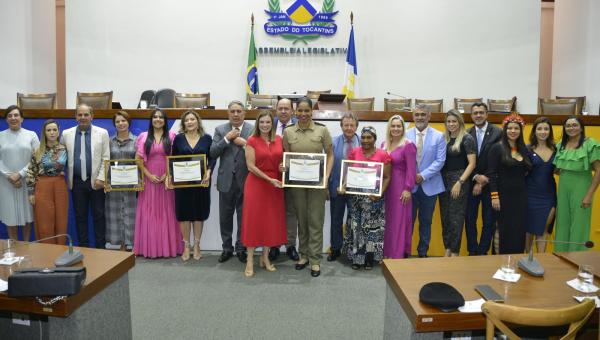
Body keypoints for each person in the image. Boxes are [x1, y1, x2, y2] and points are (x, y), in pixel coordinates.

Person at [282, 96, 333, 277]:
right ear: (296, 112)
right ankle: (303, 256)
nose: (303, 114)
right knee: (301, 221)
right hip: (296, 185)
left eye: (307, 111)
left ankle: (316, 260)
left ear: (312, 112)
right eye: (300, 111)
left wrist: (326, 177)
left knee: (315, 221)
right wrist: (284, 167)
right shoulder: (288, 132)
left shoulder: (322, 130)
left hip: (317, 185)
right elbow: (285, 155)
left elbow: (330, 155)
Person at [241, 111, 287, 277]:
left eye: (268, 122)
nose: (265, 125)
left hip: (274, 185)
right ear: (257, 124)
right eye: (262, 122)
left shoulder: (279, 140)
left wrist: (282, 167)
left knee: (270, 222)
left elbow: (281, 162)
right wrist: (270, 179)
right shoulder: (251, 140)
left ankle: (265, 258)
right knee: (253, 222)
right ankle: (250, 260)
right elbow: (250, 166)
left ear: (272, 124)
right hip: (257, 184)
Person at [340, 126, 390, 270]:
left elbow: (387, 177)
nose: (366, 140)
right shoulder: (354, 152)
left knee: (372, 230)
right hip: (356, 200)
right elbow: (348, 173)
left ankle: (369, 258)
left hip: (374, 200)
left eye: (369, 137)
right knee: (356, 229)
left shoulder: (382, 154)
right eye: (363, 137)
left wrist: (379, 194)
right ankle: (357, 258)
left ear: (375, 139)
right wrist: (343, 185)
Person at [134, 109, 182, 258]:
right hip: (149, 180)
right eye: (155, 117)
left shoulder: (173, 136)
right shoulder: (143, 136)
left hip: (166, 180)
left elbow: (175, 158)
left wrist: (167, 175)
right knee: (149, 213)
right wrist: (148, 176)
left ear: (165, 120)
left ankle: (168, 248)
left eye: (161, 117)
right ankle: (148, 249)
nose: (158, 119)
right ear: (151, 119)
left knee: (168, 212)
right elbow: (138, 159)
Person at [210, 100, 253, 263]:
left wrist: (245, 143)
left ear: (244, 113)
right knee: (225, 217)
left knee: (244, 217)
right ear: (228, 113)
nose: (235, 114)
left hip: (246, 180)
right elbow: (213, 152)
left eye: (239, 111)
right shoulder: (220, 130)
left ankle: (241, 248)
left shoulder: (252, 129)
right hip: (226, 181)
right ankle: (227, 248)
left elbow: (259, 150)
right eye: (232, 111)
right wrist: (227, 139)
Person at [61, 104, 109, 248]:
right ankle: (84, 247)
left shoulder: (102, 133)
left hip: (96, 182)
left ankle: (101, 248)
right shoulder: (66, 134)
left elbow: (106, 157)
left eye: (86, 114)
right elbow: (62, 157)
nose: (83, 118)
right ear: (75, 116)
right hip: (76, 182)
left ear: (92, 116)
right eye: (80, 115)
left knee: (99, 217)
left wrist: (101, 178)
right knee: (80, 217)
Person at [171, 110, 215, 261]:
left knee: (198, 214)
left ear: (198, 121)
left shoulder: (207, 139)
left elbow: (212, 158)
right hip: (183, 184)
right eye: (187, 120)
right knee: (184, 215)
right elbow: (173, 159)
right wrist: (172, 177)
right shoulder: (178, 139)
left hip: (201, 183)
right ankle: (186, 246)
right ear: (183, 123)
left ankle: (197, 245)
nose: (190, 122)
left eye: (192, 119)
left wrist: (209, 171)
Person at [553, 116, 600, 252]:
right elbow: (557, 169)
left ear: (581, 127)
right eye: (568, 125)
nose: (571, 128)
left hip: (582, 187)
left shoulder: (590, 143)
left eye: (575, 125)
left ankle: (576, 260)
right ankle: (560, 258)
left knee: (579, 225)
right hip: (563, 187)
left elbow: (598, 171)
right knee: (562, 223)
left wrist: (589, 195)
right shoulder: (561, 144)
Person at [406, 104, 446, 258]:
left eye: (423, 114)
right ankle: (405, 251)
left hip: (430, 186)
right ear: (413, 116)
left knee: (426, 222)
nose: (420, 117)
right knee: (408, 222)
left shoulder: (439, 136)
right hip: (409, 187)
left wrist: (422, 175)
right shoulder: (406, 135)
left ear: (429, 116)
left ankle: (423, 253)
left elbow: (440, 161)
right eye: (417, 115)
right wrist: (412, 177)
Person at [489, 114, 532, 254]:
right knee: (502, 229)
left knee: (518, 229)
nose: (513, 131)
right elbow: (492, 174)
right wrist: (494, 196)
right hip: (503, 197)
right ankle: (499, 260)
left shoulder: (524, 150)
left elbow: (527, 171)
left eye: (516, 128)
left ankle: (516, 259)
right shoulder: (497, 148)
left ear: (521, 131)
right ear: (505, 130)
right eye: (510, 128)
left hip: (520, 197)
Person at [465, 102, 502, 255]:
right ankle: (472, 251)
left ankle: (482, 251)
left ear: (487, 114)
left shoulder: (498, 132)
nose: (478, 115)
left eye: (481, 112)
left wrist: (484, 178)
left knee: (488, 221)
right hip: (471, 183)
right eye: (475, 113)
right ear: (471, 115)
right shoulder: (466, 133)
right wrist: (475, 178)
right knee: (470, 219)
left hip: (491, 182)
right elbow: (464, 160)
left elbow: (500, 158)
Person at [439, 110, 476, 257]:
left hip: (459, 181)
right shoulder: (444, 139)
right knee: (445, 218)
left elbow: (472, 164)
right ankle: (447, 249)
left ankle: (454, 252)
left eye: (454, 121)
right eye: (448, 121)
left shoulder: (467, 139)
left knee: (456, 219)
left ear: (460, 122)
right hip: (443, 181)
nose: (451, 124)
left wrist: (460, 182)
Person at [0, 105, 39, 241]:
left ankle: (26, 245)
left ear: (22, 118)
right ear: (6, 119)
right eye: (9, 116)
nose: (13, 118)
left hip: (26, 180)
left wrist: (20, 174)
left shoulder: (31, 135)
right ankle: (14, 246)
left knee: (27, 214)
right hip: (5, 182)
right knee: (9, 214)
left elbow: (37, 158)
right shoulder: (1, 136)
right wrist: (9, 176)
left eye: (16, 115)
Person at [382, 115, 416, 259]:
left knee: (398, 222)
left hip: (400, 188)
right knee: (387, 220)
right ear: (389, 128)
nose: (395, 129)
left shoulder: (408, 145)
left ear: (403, 128)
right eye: (393, 126)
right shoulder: (384, 144)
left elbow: (412, 169)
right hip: (385, 188)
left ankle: (396, 255)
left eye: (399, 126)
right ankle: (387, 253)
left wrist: (408, 188)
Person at [269, 98, 299, 261]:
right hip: (271, 176)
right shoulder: (267, 124)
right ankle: (274, 245)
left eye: (286, 108)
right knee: (273, 212)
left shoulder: (298, 125)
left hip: (293, 176)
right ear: (276, 110)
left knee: (291, 212)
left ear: (292, 111)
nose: (283, 111)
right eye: (280, 108)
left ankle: (290, 245)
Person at [327, 112, 360, 261]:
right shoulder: (333, 143)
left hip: (357, 189)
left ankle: (352, 250)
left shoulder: (363, 143)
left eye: (351, 125)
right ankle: (335, 249)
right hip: (337, 188)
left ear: (356, 126)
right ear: (341, 126)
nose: (348, 128)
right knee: (336, 220)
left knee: (354, 221)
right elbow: (328, 166)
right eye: (345, 125)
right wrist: (327, 187)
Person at [27, 120, 66, 243]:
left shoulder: (64, 149)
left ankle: (60, 251)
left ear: (58, 131)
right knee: (44, 221)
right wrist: (31, 192)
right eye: (49, 130)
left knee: (61, 219)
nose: (52, 133)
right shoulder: (38, 151)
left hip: (60, 186)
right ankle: (46, 252)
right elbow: (31, 171)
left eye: (54, 130)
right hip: (42, 186)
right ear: (44, 132)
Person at [104, 111, 137, 251]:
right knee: (116, 215)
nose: (121, 124)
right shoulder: (109, 142)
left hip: (132, 185)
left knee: (131, 215)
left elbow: (141, 163)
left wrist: (139, 181)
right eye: (117, 121)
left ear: (129, 122)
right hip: (114, 186)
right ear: (114, 124)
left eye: (123, 120)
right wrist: (106, 181)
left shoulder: (137, 141)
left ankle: (134, 244)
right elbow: (105, 163)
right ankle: (121, 245)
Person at [525, 117, 556, 253]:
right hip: (529, 194)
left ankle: (541, 260)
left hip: (548, 195)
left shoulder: (556, 149)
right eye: (539, 129)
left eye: (546, 129)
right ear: (534, 131)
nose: (543, 132)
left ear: (550, 131)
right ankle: (525, 259)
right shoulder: (526, 149)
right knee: (528, 230)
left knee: (543, 228)